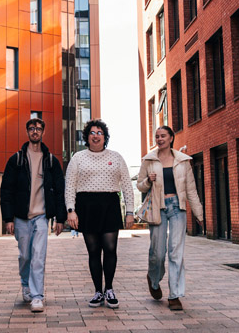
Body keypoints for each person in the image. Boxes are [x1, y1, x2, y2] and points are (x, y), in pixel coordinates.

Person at [65, 119, 135, 308]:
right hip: (86, 207)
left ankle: (109, 289)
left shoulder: (117, 157)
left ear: (105, 137)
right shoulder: (78, 158)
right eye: (92, 133)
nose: (96, 136)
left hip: (109, 205)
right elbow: (69, 185)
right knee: (94, 251)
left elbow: (127, 186)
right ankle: (98, 291)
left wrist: (130, 212)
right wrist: (71, 210)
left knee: (110, 249)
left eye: (99, 133)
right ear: (87, 137)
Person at [0, 118, 66, 313]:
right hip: (21, 217)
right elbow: (6, 190)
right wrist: (8, 218)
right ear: (27, 131)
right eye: (31, 128)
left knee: (39, 256)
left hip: (41, 216)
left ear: (43, 132)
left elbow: (60, 190)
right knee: (25, 256)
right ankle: (25, 283)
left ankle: (37, 296)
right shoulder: (17, 159)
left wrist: (60, 218)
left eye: (38, 129)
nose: (35, 131)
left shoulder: (51, 161)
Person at [137, 126, 204, 311]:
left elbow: (191, 189)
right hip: (158, 208)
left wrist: (199, 213)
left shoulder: (183, 161)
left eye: (163, 136)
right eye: (157, 136)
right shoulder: (149, 159)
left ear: (171, 138)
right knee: (157, 253)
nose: (159, 139)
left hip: (177, 208)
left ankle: (175, 295)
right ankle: (154, 279)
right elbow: (140, 186)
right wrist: (148, 181)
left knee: (176, 252)